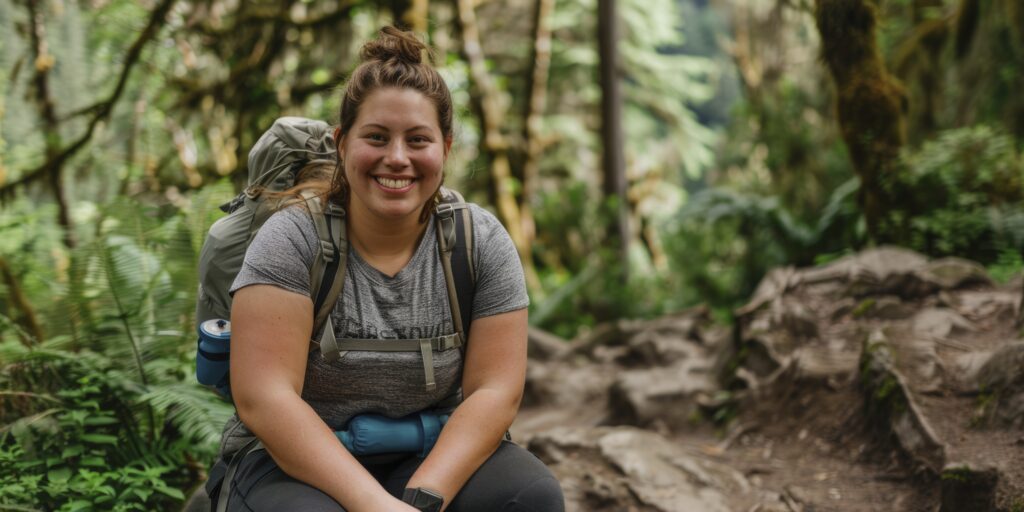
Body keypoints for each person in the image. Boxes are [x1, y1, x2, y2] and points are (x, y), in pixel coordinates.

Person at [204, 26, 564, 512]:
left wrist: (423, 498)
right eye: (376, 137)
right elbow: (266, 398)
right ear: (342, 143)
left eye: (418, 140)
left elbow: (495, 391)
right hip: (293, 462)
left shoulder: (479, 242)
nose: (397, 158)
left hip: (429, 450)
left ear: (446, 148)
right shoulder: (291, 240)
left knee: (530, 497)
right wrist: (376, 505)